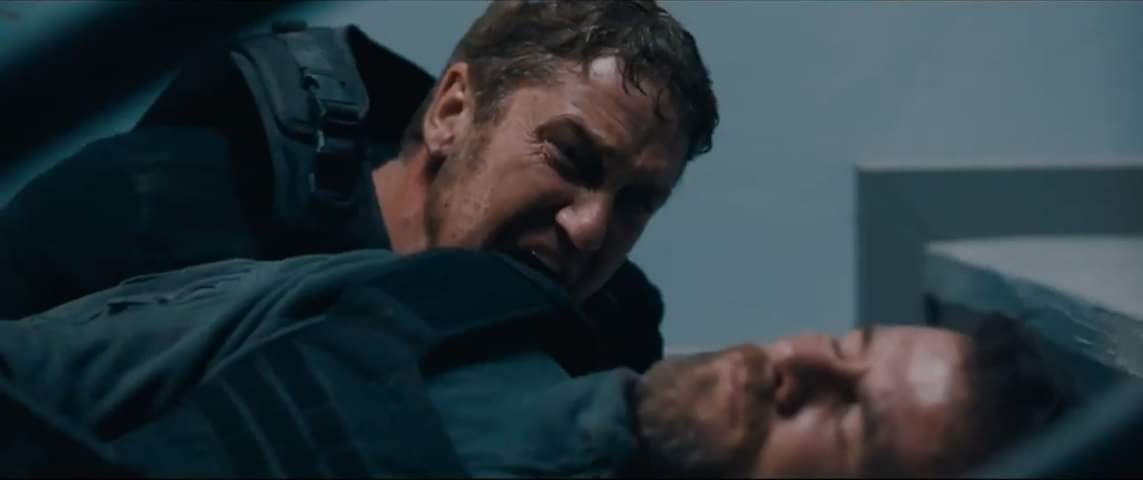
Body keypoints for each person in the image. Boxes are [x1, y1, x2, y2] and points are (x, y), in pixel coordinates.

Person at [0, 0, 717, 374]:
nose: (589, 228)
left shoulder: (605, 347)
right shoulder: (146, 206)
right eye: (570, 158)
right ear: (451, 112)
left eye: (637, 202)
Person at [0, 249, 1072, 478]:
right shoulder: (463, 308)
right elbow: (63, 366)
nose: (796, 370)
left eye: (852, 425)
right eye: (841, 348)